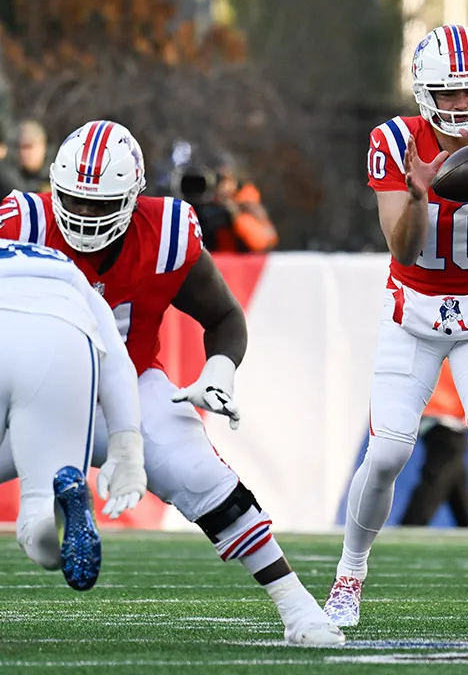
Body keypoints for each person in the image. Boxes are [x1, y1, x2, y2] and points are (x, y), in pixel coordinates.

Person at [0, 120, 343, 647]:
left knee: (201, 473)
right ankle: (48, 524)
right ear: (53, 186)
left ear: (134, 197)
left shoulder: (166, 234)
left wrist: (217, 373)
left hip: (129, 384)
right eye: (75, 200)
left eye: (102, 204)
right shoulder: (19, 222)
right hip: (36, 386)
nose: (85, 215)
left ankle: (298, 608)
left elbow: (225, 317)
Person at [324, 25, 468, 630]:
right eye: (447, 95)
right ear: (425, 95)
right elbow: (401, 250)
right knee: (389, 453)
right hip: (415, 313)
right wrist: (420, 194)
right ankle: (349, 574)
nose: (460, 106)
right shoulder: (394, 140)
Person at [0, 238, 147, 590]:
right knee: (39, 507)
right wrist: (128, 448)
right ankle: (56, 514)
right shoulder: (60, 263)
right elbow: (117, 362)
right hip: (63, 332)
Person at [400, 359, 468, 528]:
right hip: (444, 417)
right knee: (438, 477)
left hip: (440, 416)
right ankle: (410, 526)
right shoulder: (455, 347)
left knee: (455, 479)